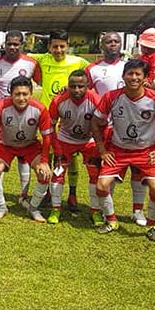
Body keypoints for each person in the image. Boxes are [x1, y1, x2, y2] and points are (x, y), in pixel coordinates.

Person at [91, 59, 155, 242]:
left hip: (146, 152)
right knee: (101, 186)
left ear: (145, 78)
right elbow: (95, 122)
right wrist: (102, 150)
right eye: (130, 73)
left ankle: (152, 225)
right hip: (118, 150)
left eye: (138, 74)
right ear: (123, 76)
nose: (134, 77)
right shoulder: (111, 97)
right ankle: (111, 221)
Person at [87, 31, 147, 225]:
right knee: (108, 171)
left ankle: (137, 211)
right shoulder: (92, 69)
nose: (112, 44)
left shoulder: (130, 67)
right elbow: (85, 93)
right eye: (108, 41)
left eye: (116, 41)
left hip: (135, 126)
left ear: (121, 44)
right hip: (107, 128)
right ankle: (106, 211)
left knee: (137, 171)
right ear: (101, 45)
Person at [30, 30, 89, 212]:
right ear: (49, 47)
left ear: (68, 46)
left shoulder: (78, 62)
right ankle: (49, 191)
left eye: (62, 46)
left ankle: (72, 193)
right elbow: (22, 56)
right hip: (47, 114)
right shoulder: (42, 59)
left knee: (69, 156)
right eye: (55, 46)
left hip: (68, 114)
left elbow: (93, 77)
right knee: (48, 153)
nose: (58, 50)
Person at [0, 30, 41, 205]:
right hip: (2, 118)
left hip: (24, 117)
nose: (12, 47)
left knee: (24, 157)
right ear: (4, 44)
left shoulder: (31, 63)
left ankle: (23, 196)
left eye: (16, 44)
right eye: (9, 43)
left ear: (22, 45)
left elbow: (41, 83)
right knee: (0, 157)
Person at [0, 75, 53, 221]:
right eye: (17, 94)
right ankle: (2, 206)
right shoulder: (0, 107)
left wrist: (44, 160)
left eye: (25, 94)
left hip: (30, 146)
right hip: (6, 146)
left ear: (31, 93)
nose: (21, 98)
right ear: (11, 94)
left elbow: (47, 136)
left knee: (44, 173)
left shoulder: (40, 109)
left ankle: (33, 208)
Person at [48, 69, 102, 225]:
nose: (76, 90)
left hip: (89, 141)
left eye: (81, 86)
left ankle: (95, 211)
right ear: (68, 85)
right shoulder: (58, 101)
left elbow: (104, 125)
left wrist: (100, 147)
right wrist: (57, 149)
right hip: (65, 140)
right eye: (73, 86)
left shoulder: (96, 100)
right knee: (58, 173)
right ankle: (56, 209)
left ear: (88, 86)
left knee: (94, 174)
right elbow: (50, 127)